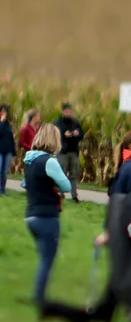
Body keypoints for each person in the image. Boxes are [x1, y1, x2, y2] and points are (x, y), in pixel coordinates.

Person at [23, 123, 72, 305]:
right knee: (47, 260)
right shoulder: (49, 162)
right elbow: (66, 185)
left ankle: (38, 295)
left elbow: (25, 183)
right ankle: (39, 299)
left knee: (44, 258)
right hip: (46, 216)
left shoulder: (29, 159)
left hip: (30, 215)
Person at [51, 103, 83, 202]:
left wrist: (77, 134)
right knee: (62, 173)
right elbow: (53, 135)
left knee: (74, 174)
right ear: (62, 111)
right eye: (66, 111)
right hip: (62, 151)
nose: (68, 112)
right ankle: (61, 193)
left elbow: (81, 135)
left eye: (70, 111)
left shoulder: (75, 122)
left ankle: (74, 195)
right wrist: (63, 135)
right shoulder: (57, 122)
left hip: (73, 151)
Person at [0, 104, 15, 195]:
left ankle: (2, 190)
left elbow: (11, 138)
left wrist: (13, 152)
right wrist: (1, 122)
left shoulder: (8, 124)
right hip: (0, 150)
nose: (3, 113)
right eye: (2, 111)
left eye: (5, 111)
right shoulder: (1, 123)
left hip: (8, 150)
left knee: (4, 172)